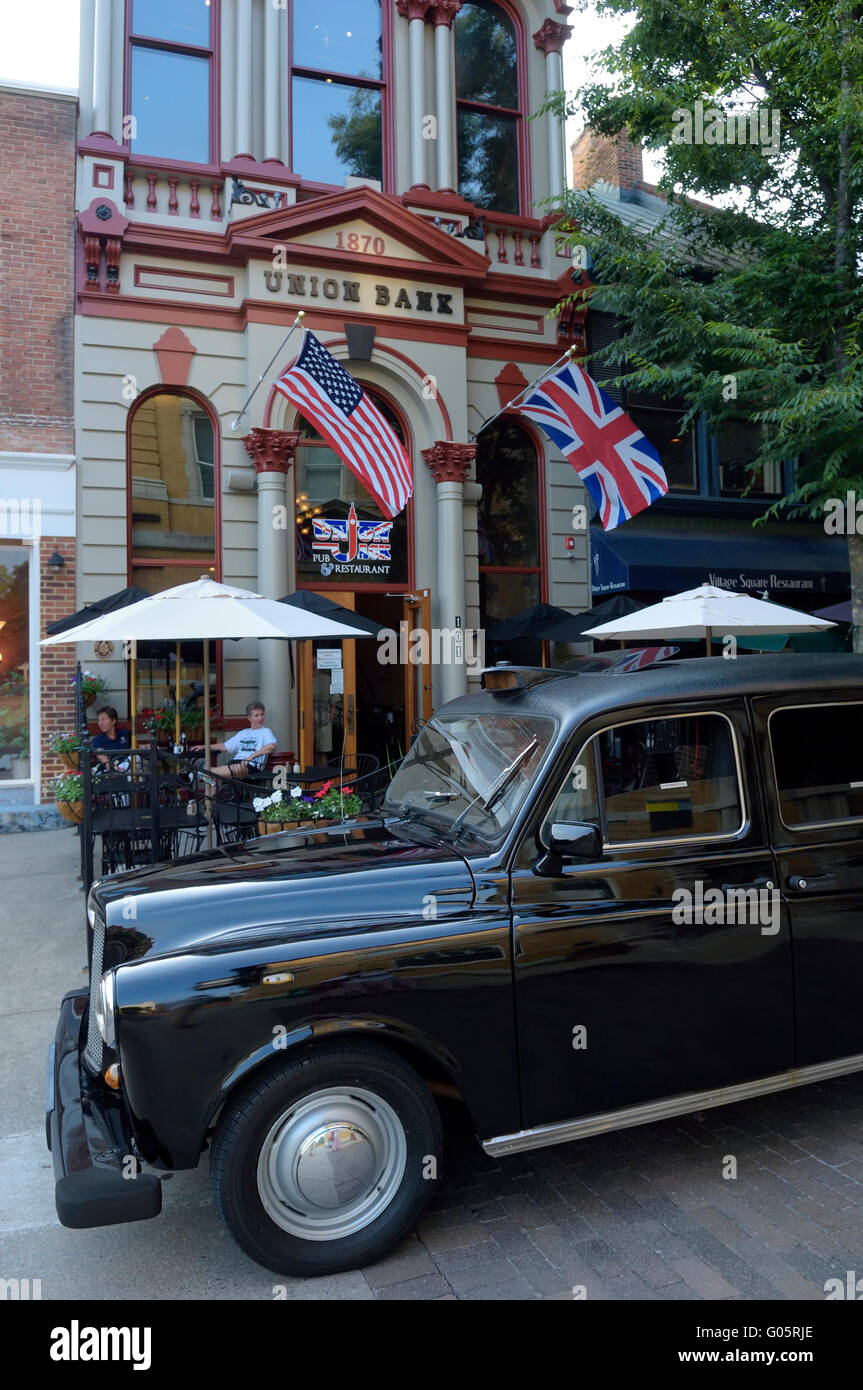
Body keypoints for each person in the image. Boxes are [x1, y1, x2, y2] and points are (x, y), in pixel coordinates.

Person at [193, 701, 277, 779]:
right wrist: (204, 746)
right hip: (235, 763)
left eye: (262, 715)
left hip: (252, 765)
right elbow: (225, 746)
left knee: (228, 771)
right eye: (256, 715)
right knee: (216, 779)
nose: (260, 718)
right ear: (249, 718)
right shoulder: (243, 733)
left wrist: (251, 757)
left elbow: (271, 746)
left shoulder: (265, 731)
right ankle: (210, 785)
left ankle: (202, 771)